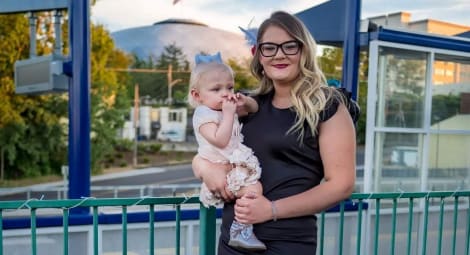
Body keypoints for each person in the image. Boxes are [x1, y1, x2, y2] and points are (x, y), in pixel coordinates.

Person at [192, 11, 357, 255]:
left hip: (288, 244)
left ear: (304, 51)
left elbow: (341, 185)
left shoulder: (326, 106)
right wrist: (204, 168)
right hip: (232, 244)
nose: (279, 54)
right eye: (269, 47)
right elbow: (210, 147)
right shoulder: (246, 105)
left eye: (289, 46)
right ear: (259, 54)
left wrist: (271, 209)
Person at [188, 52, 267, 251]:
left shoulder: (221, 109)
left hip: (231, 166)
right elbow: (220, 140)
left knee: (254, 189)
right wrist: (230, 113)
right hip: (221, 171)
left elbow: (254, 108)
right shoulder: (203, 114)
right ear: (197, 95)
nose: (225, 93)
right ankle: (239, 230)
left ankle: (242, 229)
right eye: (216, 89)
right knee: (253, 190)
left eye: (229, 87)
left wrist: (244, 102)